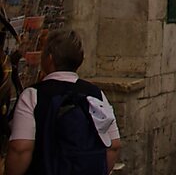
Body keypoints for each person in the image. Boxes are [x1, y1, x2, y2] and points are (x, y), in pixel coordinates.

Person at [6, 29, 122, 175]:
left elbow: (21, 149)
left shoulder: (33, 95)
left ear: (49, 58)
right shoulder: (95, 93)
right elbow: (114, 145)